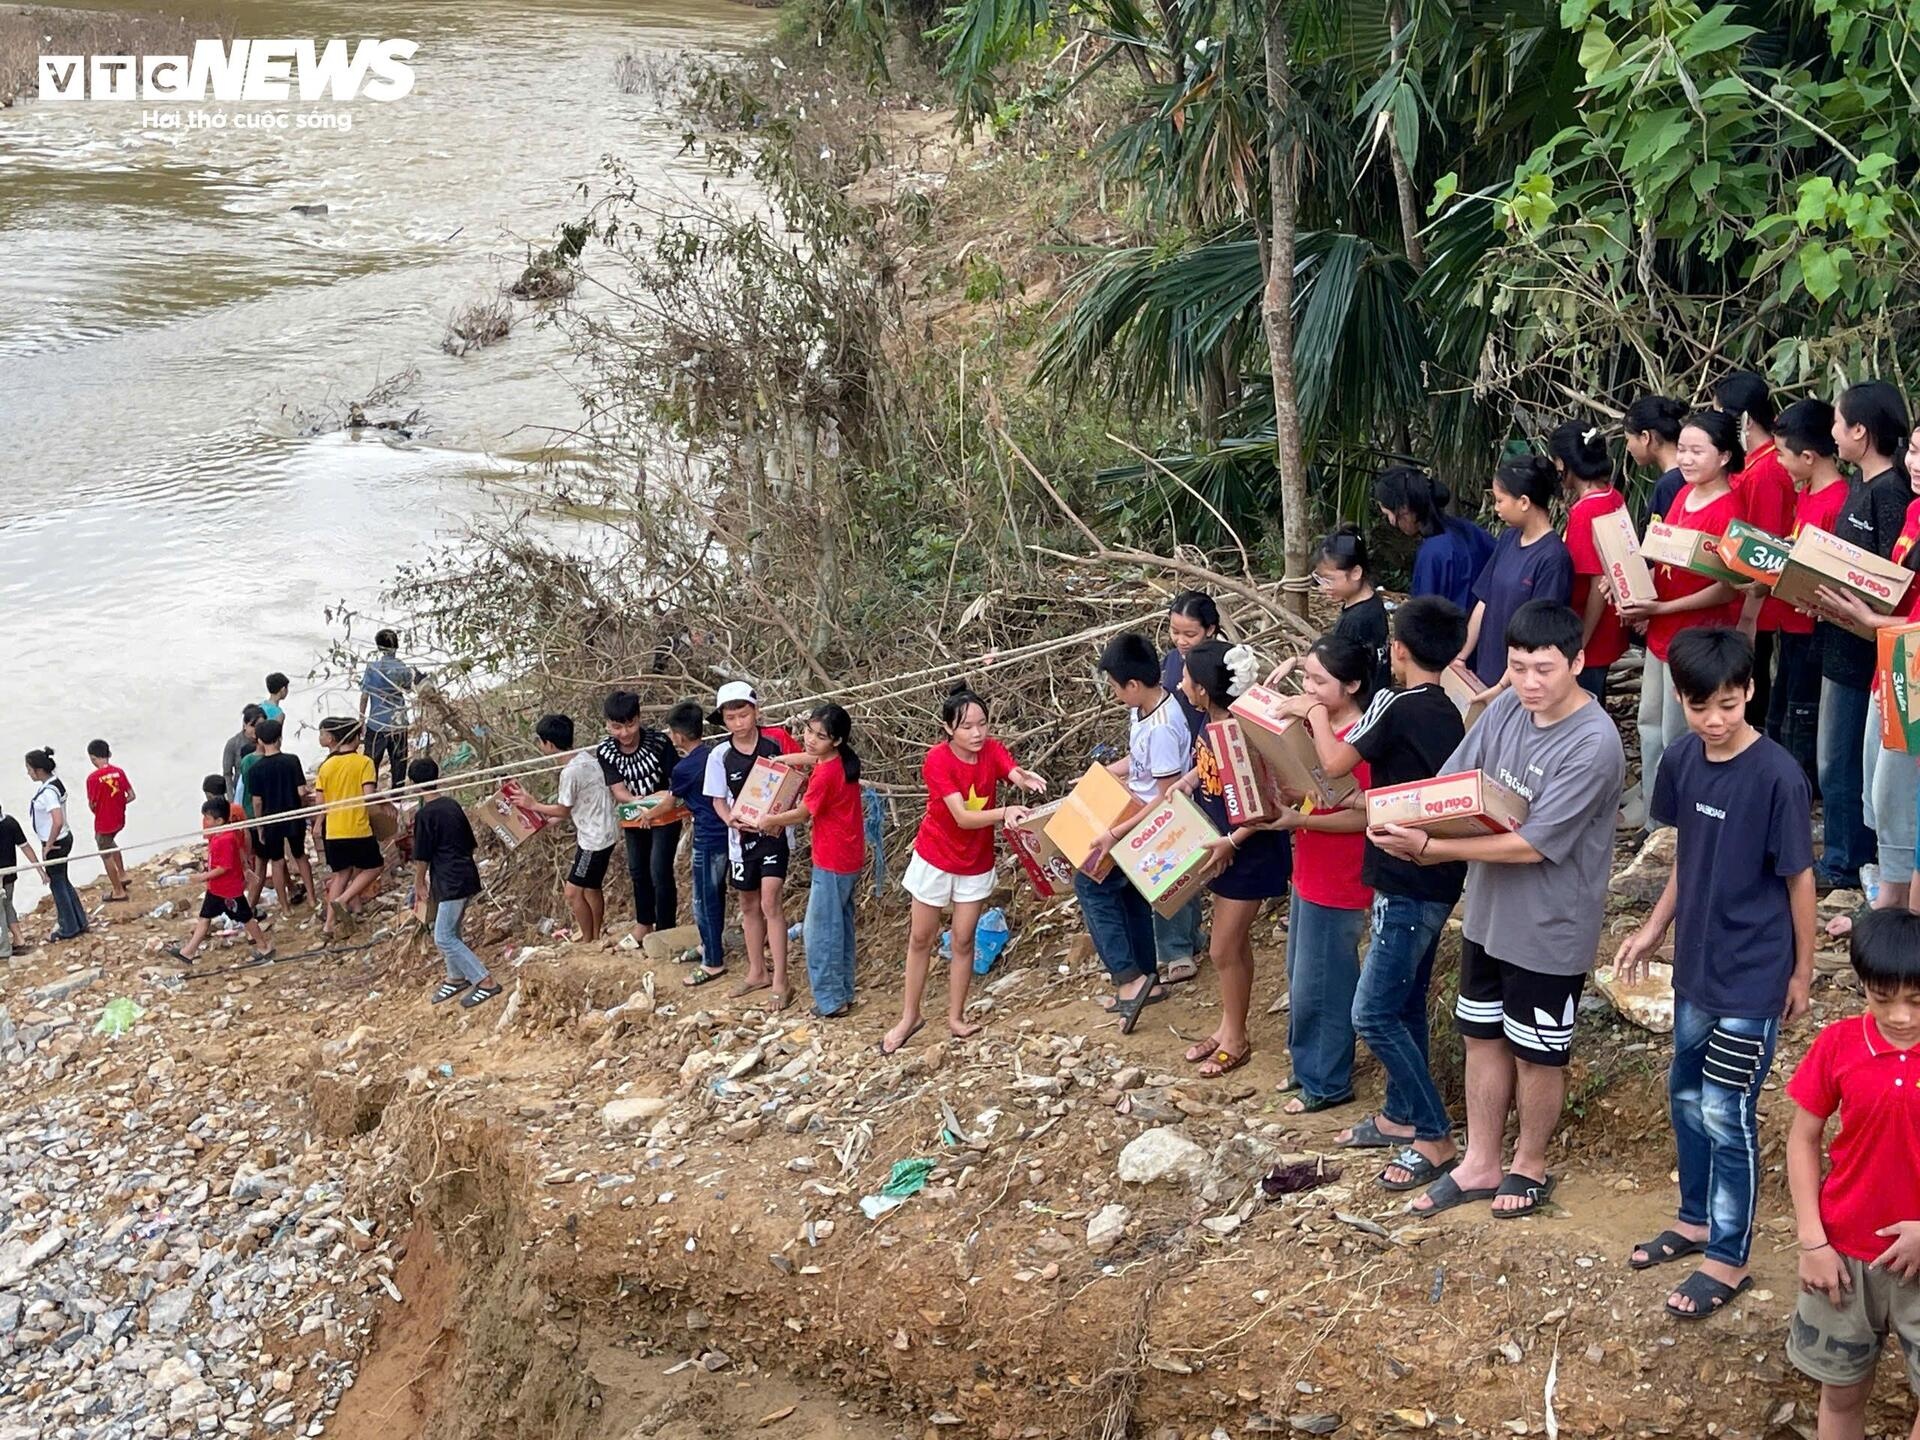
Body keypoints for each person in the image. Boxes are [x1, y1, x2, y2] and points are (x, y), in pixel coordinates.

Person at [1376, 602, 1624, 1219]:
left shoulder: (1594, 745)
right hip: (1487, 911)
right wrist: (1405, 814)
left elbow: (1535, 843)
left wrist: (1435, 849)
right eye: (1517, 668)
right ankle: (1481, 1159)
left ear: (1578, 662)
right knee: (1480, 1034)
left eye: (1545, 669)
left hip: (1548, 925)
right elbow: (1458, 779)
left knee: (1538, 1051)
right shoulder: (1511, 704)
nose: (1531, 683)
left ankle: (1529, 1164)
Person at [1613, 629, 1814, 1321]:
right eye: (1702, 706)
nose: (1717, 719)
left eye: (1729, 703)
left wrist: (1803, 971)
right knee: (1685, 1096)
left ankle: (1728, 1257)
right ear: (1682, 699)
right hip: (1695, 967)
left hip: (1753, 975)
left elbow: (1799, 882)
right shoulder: (1682, 760)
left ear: (1750, 691)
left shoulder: (1779, 775)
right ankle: (1694, 1219)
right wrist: (1652, 929)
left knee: (1728, 1115)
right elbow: (1687, 858)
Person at [1305, 596, 1471, 1190]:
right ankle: (1401, 1115)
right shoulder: (1449, 711)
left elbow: (1333, 763)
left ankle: (1434, 1133)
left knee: (1371, 1012)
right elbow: (1415, 789)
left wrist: (1316, 713)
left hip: (1404, 881)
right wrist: (1368, 804)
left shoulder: (1397, 705)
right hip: (1436, 875)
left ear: (1398, 649)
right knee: (1405, 1002)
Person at [1785, 908, 1920, 1440]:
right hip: (1843, 1257)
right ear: (1861, 984)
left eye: (1916, 1000)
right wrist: (1812, 1240)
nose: (1901, 1016)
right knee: (1839, 1393)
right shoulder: (1838, 1045)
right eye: (1883, 998)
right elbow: (1802, 1139)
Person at [885, 685, 1045, 1053]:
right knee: (921, 937)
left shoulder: (989, 750)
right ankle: (910, 1015)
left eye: (982, 724)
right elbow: (962, 817)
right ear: (948, 728)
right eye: (967, 727)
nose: (977, 733)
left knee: (963, 938)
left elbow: (1009, 768)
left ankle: (956, 1016)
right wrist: (1005, 812)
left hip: (975, 862)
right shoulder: (937, 760)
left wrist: (1023, 779)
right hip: (935, 857)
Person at [1620, 409, 1748, 815]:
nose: (1686, 460)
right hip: (1662, 630)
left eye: (1697, 451)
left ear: (1725, 456)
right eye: (1684, 451)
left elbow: (1726, 588)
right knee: (1651, 725)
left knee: (1680, 733)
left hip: (1696, 637)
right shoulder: (1682, 495)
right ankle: (1656, 815)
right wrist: (1641, 592)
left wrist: (1662, 606)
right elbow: (1664, 555)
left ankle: (1677, 823)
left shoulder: (1728, 509)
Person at [1267, 636, 1375, 1114]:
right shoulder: (1321, 731)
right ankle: (1306, 1065)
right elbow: (1318, 792)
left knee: (1326, 982)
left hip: (1342, 876)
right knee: (1300, 975)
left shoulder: (1359, 740)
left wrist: (1302, 820)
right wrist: (1297, 804)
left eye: (1319, 681)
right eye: (1305, 678)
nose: (1307, 690)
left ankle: (1327, 1082)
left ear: (1351, 685)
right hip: (1309, 869)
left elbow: (1364, 815)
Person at [1816, 418, 1920, 914]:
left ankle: (1894, 915)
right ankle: (1886, 899)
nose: (1916, 466)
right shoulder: (1915, 512)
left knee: (1900, 798)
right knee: (1879, 794)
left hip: (1912, 674)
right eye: (1914, 451)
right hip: (1892, 667)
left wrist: (1869, 620)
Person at [1177, 640, 1291, 1077]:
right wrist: (1188, 781)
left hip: (1249, 851)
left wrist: (1232, 842)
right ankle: (1228, 1027)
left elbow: (1262, 804)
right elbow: (1211, 770)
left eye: (1187, 678)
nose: (1181, 683)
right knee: (1233, 945)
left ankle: (1237, 1038)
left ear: (1204, 689)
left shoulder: (1240, 734)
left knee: (1222, 947)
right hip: (1222, 844)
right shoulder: (1212, 723)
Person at [1080, 633, 1190, 1033]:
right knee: (1126, 894)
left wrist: (1116, 834)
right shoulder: (1143, 709)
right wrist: (1105, 775)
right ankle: (1147, 976)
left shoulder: (1162, 726)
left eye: (1113, 687)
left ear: (1132, 685)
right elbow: (1137, 762)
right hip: (1132, 812)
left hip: (1148, 825)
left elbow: (1166, 800)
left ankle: (1130, 978)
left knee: (1090, 882)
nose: (1112, 694)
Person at [761, 704, 865, 1019]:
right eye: (809, 731)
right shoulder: (838, 761)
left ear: (837, 740)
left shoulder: (826, 774)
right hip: (848, 856)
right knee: (840, 926)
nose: (810, 739)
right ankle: (843, 992)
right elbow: (811, 758)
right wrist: (781, 761)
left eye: (820, 736)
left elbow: (804, 813)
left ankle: (831, 1000)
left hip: (832, 859)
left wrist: (770, 820)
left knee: (820, 932)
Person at [701, 683, 803, 1004]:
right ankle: (756, 970)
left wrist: (785, 810)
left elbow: (802, 775)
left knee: (770, 901)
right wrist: (729, 818)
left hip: (774, 835)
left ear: (755, 712)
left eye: (743, 715)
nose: (739, 723)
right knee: (748, 904)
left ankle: (781, 979)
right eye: (731, 718)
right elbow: (718, 799)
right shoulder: (720, 755)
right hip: (740, 839)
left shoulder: (776, 742)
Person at [1768, 400, 1850, 787]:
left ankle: (1800, 793)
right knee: (1780, 711)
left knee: (1801, 718)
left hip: (1813, 631)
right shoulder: (1807, 493)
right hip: (1791, 622)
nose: (1779, 463)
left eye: (1782, 455)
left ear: (1808, 456)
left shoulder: (1837, 502)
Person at [1716, 371, 1798, 729]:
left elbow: (1765, 545)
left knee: (1754, 692)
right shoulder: (1753, 463)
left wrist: (1749, 615)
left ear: (1743, 420)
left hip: (1758, 605)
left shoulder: (1765, 471)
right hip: (1745, 599)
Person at [1458, 455, 1573, 688]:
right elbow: (1484, 600)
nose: (1496, 508)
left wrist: (1503, 686)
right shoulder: (1509, 538)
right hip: (1487, 667)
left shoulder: (1553, 558)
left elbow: (1539, 634)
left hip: (1522, 681)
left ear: (1523, 502)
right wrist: (1461, 657)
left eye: (1500, 500)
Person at [1160, 590, 1222, 981]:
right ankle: (1182, 942)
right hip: (1176, 767)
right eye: (1174, 631)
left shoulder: (1219, 666)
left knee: (1188, 857)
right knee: (1175, 856)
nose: (1181, 641)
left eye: (1190, 633)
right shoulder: (1170, 663)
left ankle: (1181, 944)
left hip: (1208, 769)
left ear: (1211, 630)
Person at [409, 757, 501, 1009]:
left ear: (413, 784)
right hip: (464, 872)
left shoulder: (425, 815)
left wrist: (419, 883)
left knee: (443, 937)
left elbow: (421, 856)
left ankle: (485, 980)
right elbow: (470, 842)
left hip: (450, 881)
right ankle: (456, 977)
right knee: (452, 928)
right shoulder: (452, 805)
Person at [1549, 421, 1630, 703]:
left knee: (1584, 699)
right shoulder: (1613, 496)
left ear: (1562, 464)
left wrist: (1581, 641)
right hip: (1611, 623)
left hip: (1591, 628)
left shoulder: (1585, 512)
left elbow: (1597, 581)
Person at [596, 690, 681, 946]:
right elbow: (618, 789)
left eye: (630, 724)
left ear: (639, 718)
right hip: (634, 815)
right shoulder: (606, 751)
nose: (625, 733)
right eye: (617, 727)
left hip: (664, 812)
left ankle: (666, 928)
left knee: (659, 869)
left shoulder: (659, 743)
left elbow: (675, 784)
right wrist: (638, 804)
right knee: (637, 869)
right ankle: (644, 922)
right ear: (608, 725)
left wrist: (653, 805)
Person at [526, 712, 618, 945]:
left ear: (549, 744)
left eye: (540, 741)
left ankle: (588, 940)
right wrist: (543, 823)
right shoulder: (587, 758)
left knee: (573, 892)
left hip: (593, 840)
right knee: (591, 887)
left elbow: (563, 810)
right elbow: (574, 805)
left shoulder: (570, 772)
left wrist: (532, 805)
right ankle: (595, 934)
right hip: (605, 831)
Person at [165, 799, 274, 965]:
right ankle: (188, 951)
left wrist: (203, 877)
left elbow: (224, 867)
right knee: (204, 918)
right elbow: (239, 850)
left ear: (219, 821)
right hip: (216, 889)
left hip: (228, 890)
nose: (205, 822)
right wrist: (245, 868)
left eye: (208, 819)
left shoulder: (225, 839)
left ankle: (263, 946)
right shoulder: (223, 835)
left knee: (246, 918)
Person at [1374, 464, 1494, 614]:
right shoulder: (1470, 530)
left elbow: (1423, 616)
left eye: (1388, 515)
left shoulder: (1432, 554)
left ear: (1404, 509)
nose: (1391, 522)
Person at [668, 702, 730, 987]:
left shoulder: (683, 768)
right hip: (727, 832)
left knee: (704, 899)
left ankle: (713, 961)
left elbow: (670, 801)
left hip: (707, 837)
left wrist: (646, 814)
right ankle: (709, 945)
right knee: (715, 893)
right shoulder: (716, 754)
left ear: (679, 736)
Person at [313, 718, 383, 939]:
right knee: (374, 867)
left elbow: (319, 802)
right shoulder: (364, 763)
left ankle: (328, 927)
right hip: (358, 827)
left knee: (341, 874)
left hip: (334, 830)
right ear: (355, 738)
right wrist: (386, 802)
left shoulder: (326, 765)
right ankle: (343, 901)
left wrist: (317, 825)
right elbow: (369, 796)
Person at [246, 719, 314, 912]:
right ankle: (311, 898)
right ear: (280, 738)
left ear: (259, 740)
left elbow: (257, 801)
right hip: (293, 815)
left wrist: (259, 825)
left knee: (277, 862)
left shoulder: (255, 770)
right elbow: (302, 791)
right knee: (300, 855)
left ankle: (285, 907)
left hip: (271, 820)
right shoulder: (292, 761)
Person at [25, 748, 87, 943]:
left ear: (38, 770)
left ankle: (68, 926)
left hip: (56, 842)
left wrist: (48, 845)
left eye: (29, 769)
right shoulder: (54, 783)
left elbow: (57, 820)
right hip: (64, 838)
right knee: (63, 880)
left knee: (57, 883)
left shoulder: (48, 793)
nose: (28, 773)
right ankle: (78, 920)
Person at [360, 631, 421, 791]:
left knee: (370, 763)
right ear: (396, 646)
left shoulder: (372, 668)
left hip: (376, 723)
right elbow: (408, 688)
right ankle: (398, 799)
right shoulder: (403, 668)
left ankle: (369, 797)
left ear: (378, 647)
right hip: (398, 723)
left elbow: (365, 696)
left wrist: (361, 719)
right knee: (399, 763)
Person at [1625, 395, 1688, 525]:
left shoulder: (1669, 485)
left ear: (1645, 437)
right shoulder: (1689, 474)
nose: (1628, 448)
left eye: (1628, 440)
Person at [84, 738, 135, 902]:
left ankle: (118, 891)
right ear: (109, 754)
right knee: (110, 843)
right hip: (119, 819)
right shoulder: (119, 772)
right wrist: (118, 805)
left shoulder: (92, 779)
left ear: (92, 758)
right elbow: (131, 795)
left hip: (104, 822)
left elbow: (92, 804)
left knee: (105, 853)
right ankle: (122, 873)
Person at [0, 804, 40, 961]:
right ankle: (19, 939)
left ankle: (3, 949)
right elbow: (25, 847)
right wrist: (39, 869)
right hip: (10, 875)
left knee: (0, 912)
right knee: (8, 904)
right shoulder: (11, 823)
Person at [221, 704, 264, 803]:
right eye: (253, 726)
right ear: (244, 725)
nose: (256, 730)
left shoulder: (266, 741)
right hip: (241, 791)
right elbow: (227, 774)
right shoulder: (233, 743)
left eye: (260, 726)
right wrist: (231, 799)